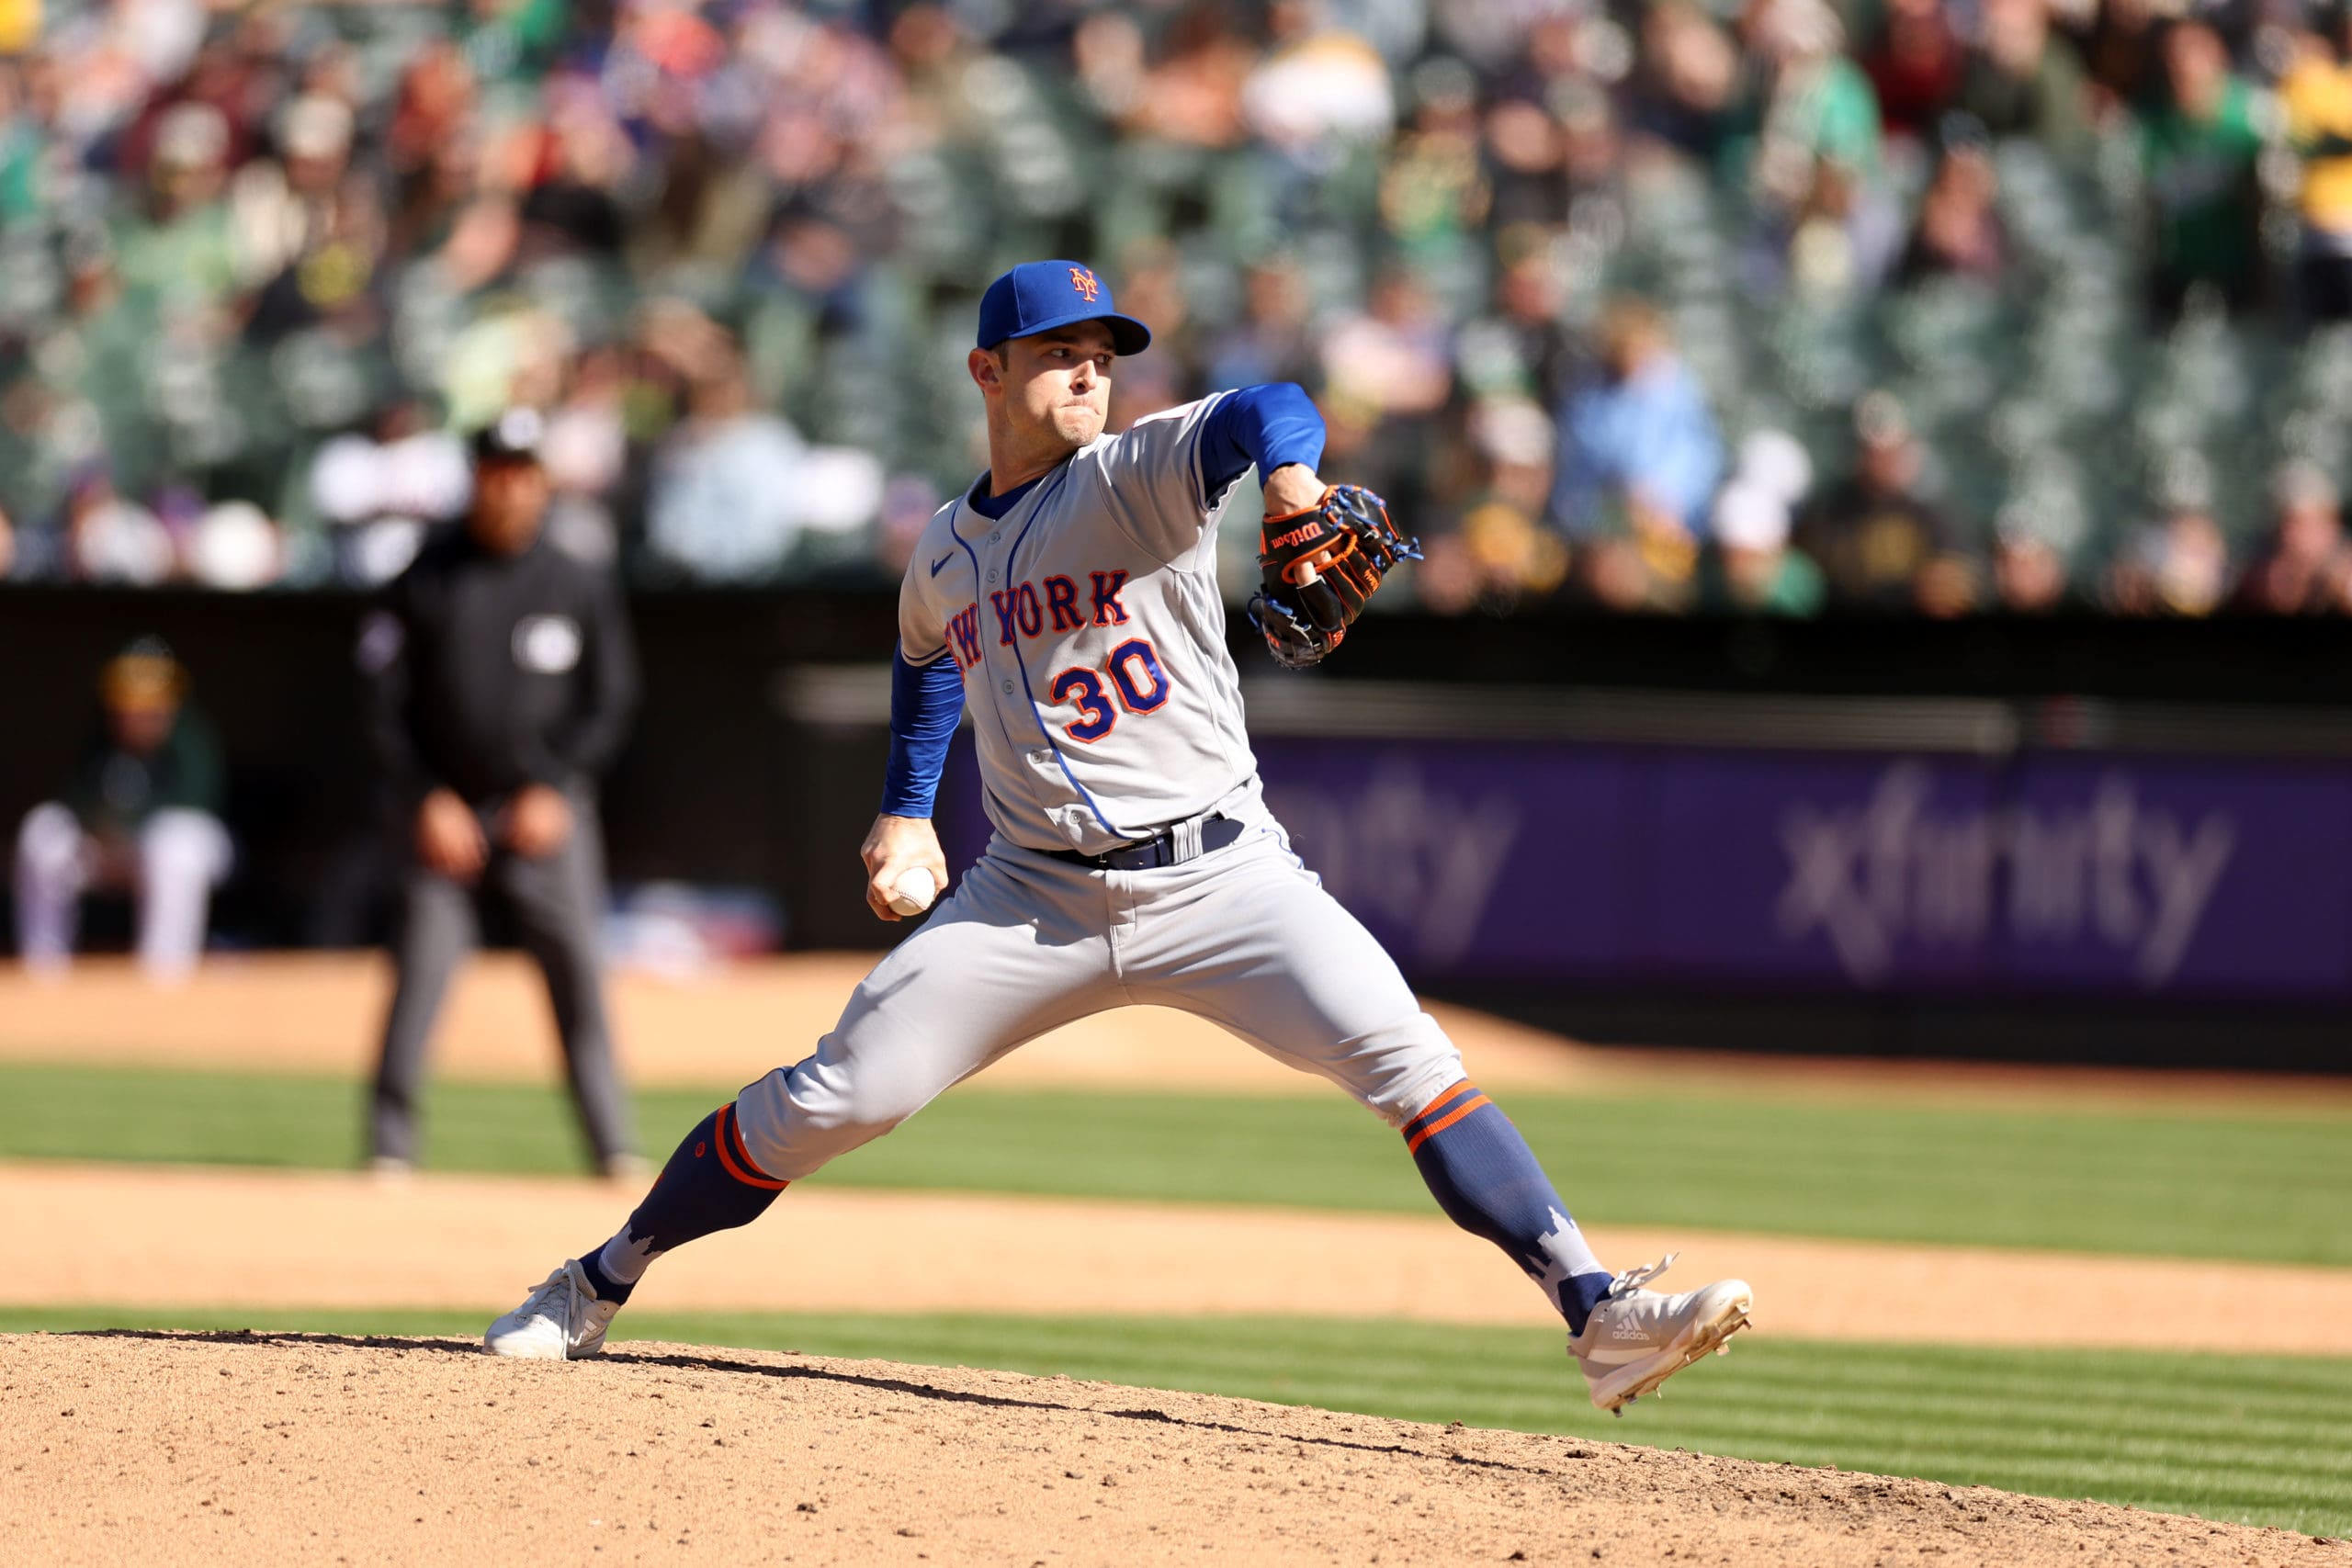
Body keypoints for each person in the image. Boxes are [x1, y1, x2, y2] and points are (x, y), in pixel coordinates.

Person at [483, 261, 1754, 1416]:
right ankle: (596, 1279)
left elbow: (1273, 406)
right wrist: (904, 804)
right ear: (987, 370)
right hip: (1026, 896)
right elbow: (928, 657)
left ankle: (1599, 1311)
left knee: (1412, 1059)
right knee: (836, 1095)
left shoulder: (1137, 474)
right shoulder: (942, 547)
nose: (1089, 367)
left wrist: (1298, 483)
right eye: (1056, 348)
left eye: (1104, 348)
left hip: (1225, 878)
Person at [359, 409, 642, 1178]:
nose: (510, 489)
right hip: (445, 808)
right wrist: (424, 795)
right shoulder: (425, 578)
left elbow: (610, 700)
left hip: (546, 811)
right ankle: (389, 1146)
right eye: (496, 474)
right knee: (421, 969)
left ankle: (612, 1144)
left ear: (542, 483)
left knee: (579, 970)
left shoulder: (576, 579)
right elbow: (381, 706)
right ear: (476, 479)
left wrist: (557, 785)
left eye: (524, 474)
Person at [13, 637, 232, 982]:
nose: (136, 712)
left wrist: (126, 829)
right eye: (129, 702)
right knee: (42, 832)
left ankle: (165, 975)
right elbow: (74, 801)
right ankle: (43, 970)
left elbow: (196, 803)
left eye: (148, 704)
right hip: (108, 850)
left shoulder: (191, 736)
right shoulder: (98, 739)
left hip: (174, 852)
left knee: (175, 844)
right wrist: (100, 831)